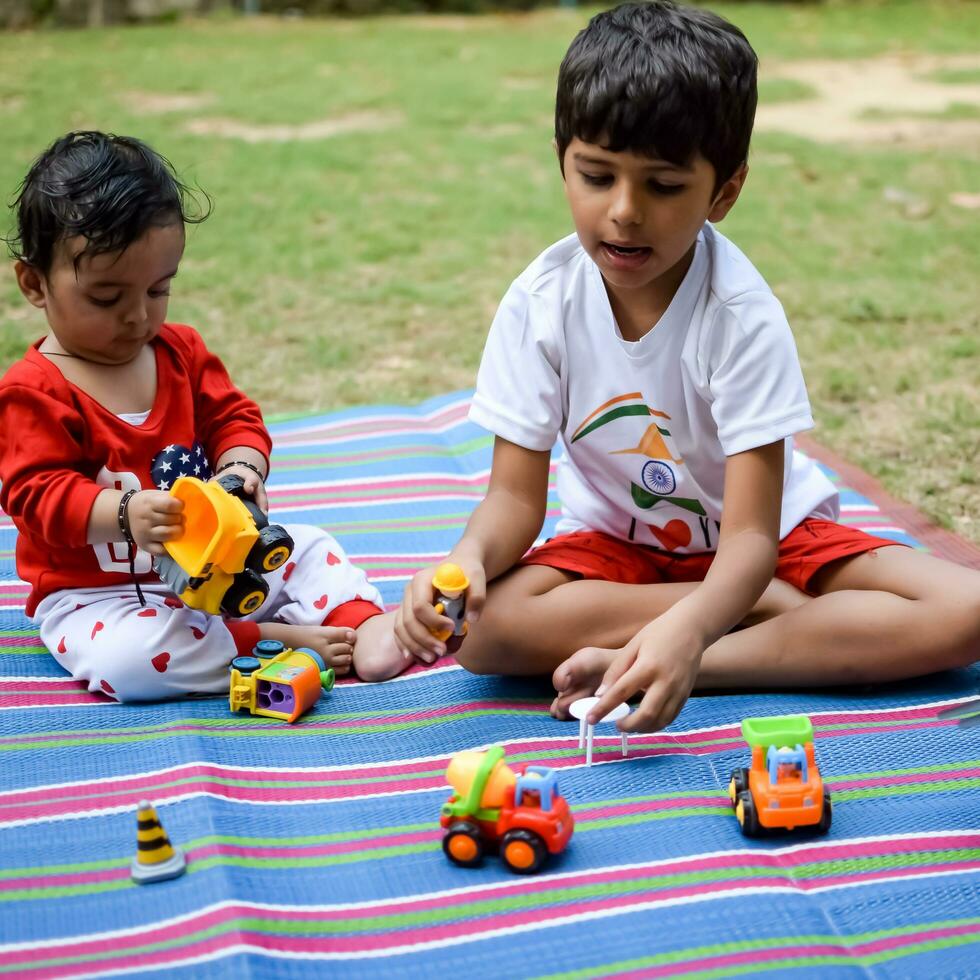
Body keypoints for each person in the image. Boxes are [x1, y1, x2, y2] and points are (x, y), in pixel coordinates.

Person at [387, 1, 980, 727]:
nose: (625, 211)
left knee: (967, 612)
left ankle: (685, 659)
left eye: (664, 186)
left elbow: (754, 540)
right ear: (561, 160)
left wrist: (697, 634)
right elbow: (513, 502)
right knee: (480, 633)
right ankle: (752, 626)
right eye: (596, 176)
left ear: (724, 192)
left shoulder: (740, 317)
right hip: (621, 549)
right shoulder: (540, 303)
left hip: (768, 545)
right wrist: (471, 559)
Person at [0, 131, 398, 702]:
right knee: (130, 664)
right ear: (35, 283)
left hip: (220, 566)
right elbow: (35, 494)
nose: (138, 317)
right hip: (100, 597)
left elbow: (236, 418)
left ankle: (361, 622)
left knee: (308, 546)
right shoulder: (33, 390)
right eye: (107, 299)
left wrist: (241, 471)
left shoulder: (179, 353)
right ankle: (265, 640)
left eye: (158, 290)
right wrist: (125, 511)